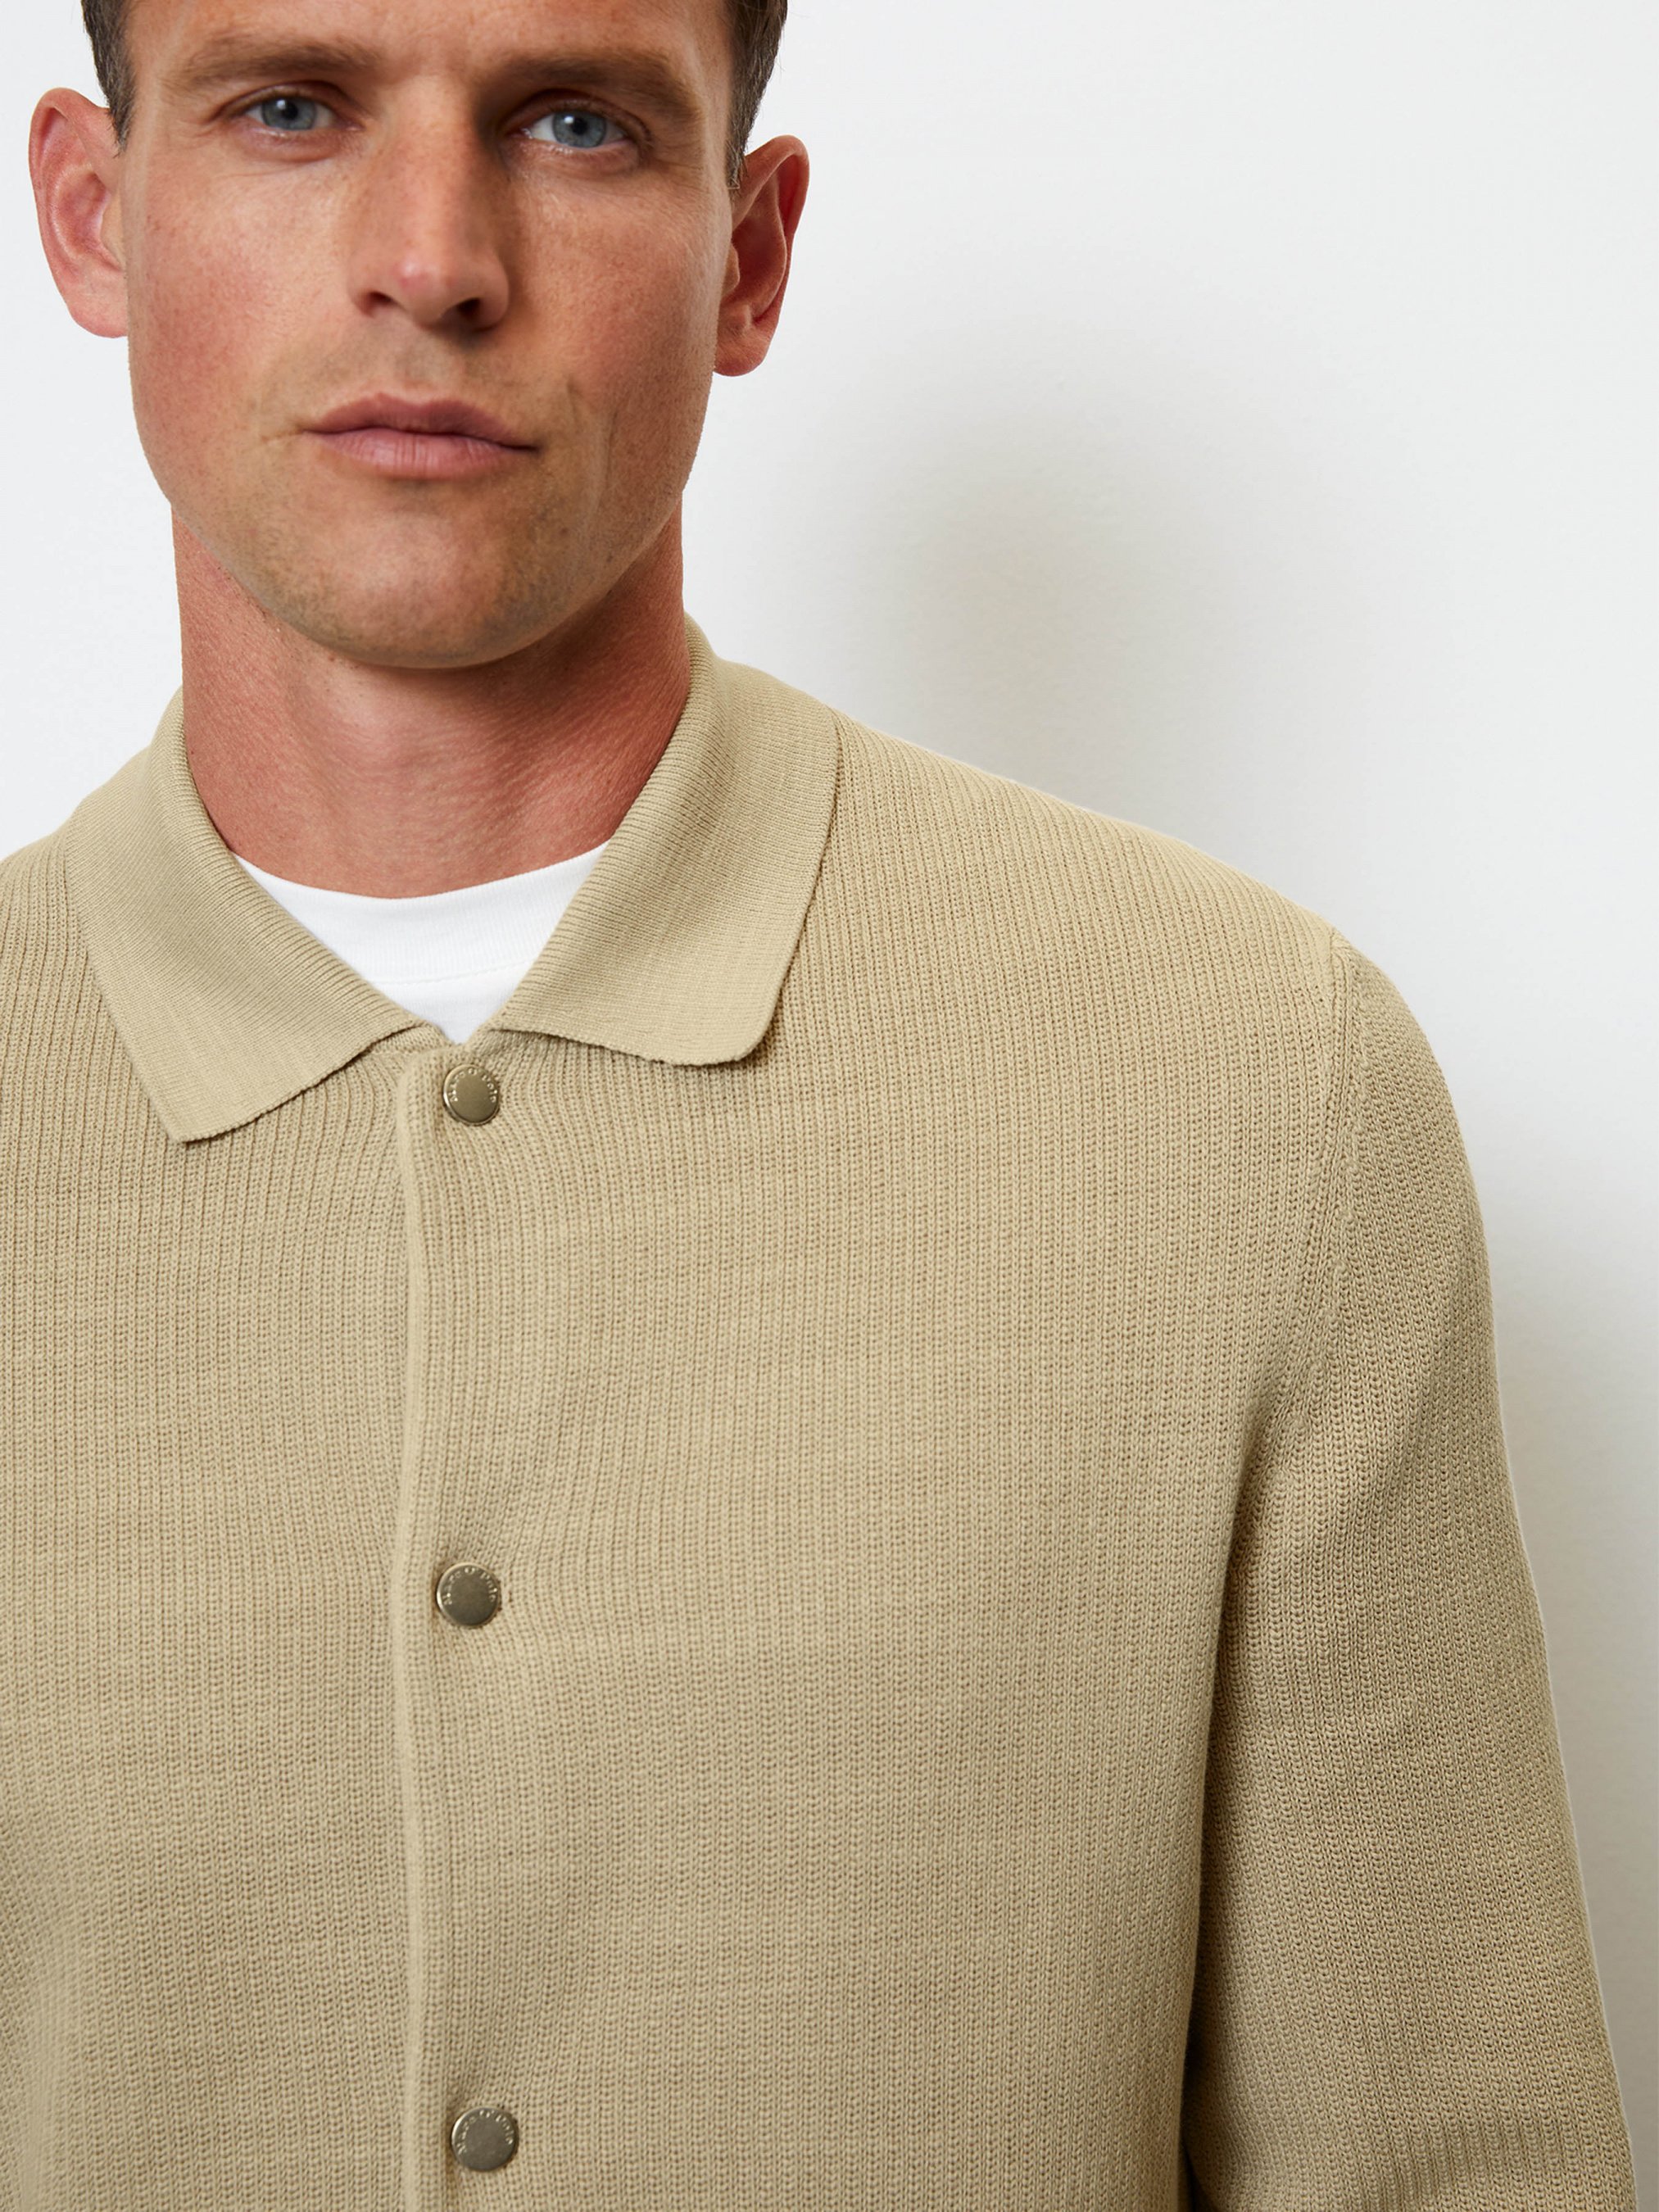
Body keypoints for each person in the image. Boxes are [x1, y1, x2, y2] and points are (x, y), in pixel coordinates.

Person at [4, 0, 1635, 2203]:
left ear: (749, 258)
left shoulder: (1250, 1085)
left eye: (574, 124)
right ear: (93, 217)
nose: (432, 258)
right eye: (291, 108)